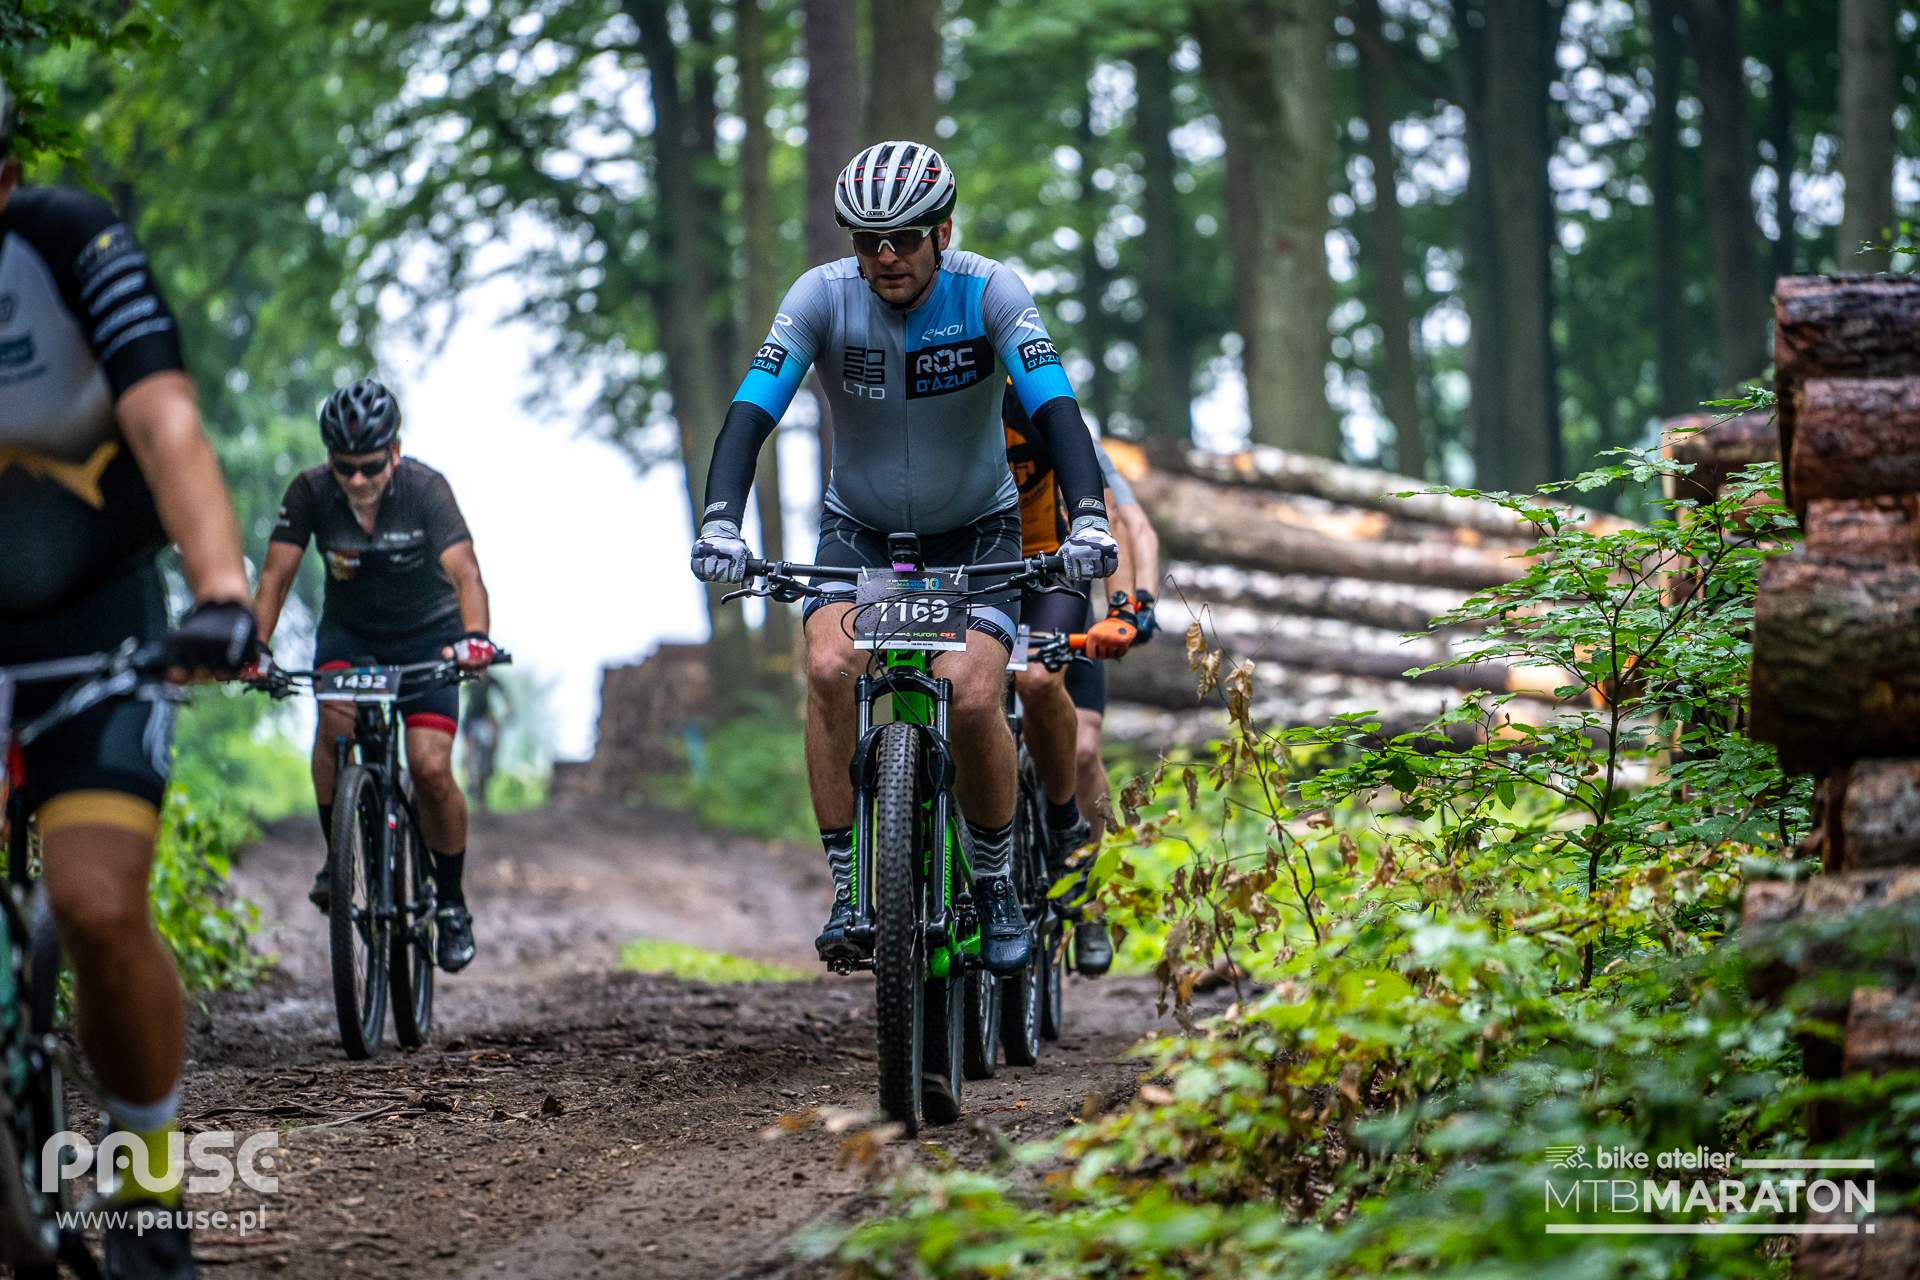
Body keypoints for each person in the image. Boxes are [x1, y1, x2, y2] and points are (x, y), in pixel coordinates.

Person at [690, 140, 1117, 977]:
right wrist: (721, 524)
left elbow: (1054, 405)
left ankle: (994, 883)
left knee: (973, 693)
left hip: (978, 529)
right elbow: (752, 410)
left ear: (943, 232)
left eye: (906, 238)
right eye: (867, 240)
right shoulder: (820, 296)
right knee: (828, 669)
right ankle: (850, 886)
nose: (886, 256)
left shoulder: (990, 290)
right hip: (861, 529)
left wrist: (1091, 519)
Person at [0, 74, 258, 1279]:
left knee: (99, 906)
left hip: (93, 611)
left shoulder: (70, 243)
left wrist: (221, 591)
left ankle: (148, 1180)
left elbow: (166, 422)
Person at [250, 378, 497, 973]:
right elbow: (275, 579)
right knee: (333, 724)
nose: (357, 481)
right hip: (351, 638)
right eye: (345, 467)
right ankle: (339, 856)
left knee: (430, 767)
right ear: (329, 460)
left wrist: (475, 640)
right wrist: (254, 648)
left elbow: (466, 573)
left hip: (429, 638)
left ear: (395, 452)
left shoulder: (426, 490)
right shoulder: (310, 492)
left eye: (369, 466)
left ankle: (451, 903)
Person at [1003, 388, 1161, 974]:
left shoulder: (1056, 425)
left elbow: (1130, 524)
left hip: (1053, 587)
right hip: (986, 582)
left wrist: (1133, 604)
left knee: (1084, 747)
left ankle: (1090, 898)